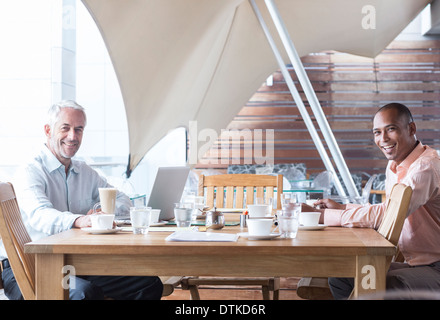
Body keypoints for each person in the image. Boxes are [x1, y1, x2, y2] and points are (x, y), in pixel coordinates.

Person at [1, 100, 163, 300]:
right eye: (65, 128)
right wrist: (80, 220)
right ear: (48, 130)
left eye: (79, 129)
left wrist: (104, 212)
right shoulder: (30, 171)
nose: (72, 136)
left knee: (148, 284)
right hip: (29, 267)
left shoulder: (84, 171)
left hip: (73, 263)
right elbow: (40, 215)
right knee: (84, 293)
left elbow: (121, 198)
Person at [309, 102, 440, 299]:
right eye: (377, 132)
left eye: (391, 129)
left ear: (411, 128)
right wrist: (343, 207)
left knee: (387, 285)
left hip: (435, 267)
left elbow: (389, 215)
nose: (383, 139)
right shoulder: (395, 165)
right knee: (342, 276)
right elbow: (386, 209)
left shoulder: (426, 168)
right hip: (415, 263)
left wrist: (324, 216)